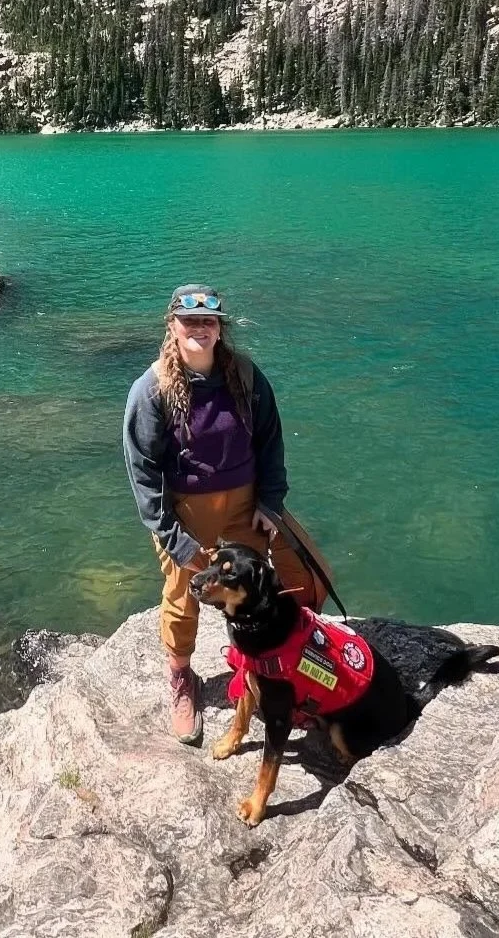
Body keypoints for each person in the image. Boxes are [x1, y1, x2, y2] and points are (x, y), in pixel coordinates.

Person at [123, 283, 325, 745]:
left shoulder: (247, 377)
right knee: (183, 593)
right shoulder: (151, 390)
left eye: (208, 322)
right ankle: (181, 678)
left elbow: (270, 443)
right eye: (189, 321)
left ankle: (261, 672)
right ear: (172, 327)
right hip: (186, 512)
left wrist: (270, 504)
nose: (199, 329)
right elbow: (143, 472)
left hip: (246, 508)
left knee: (260, 593)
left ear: (219, 329)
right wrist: (173, 537)